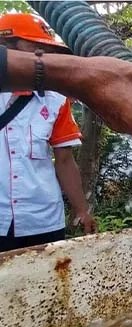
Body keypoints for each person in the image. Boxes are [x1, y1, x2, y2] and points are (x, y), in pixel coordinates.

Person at [0, 13, 96, 252]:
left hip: (42, 220)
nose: (41, 59)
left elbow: (64, 160)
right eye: (35, 50)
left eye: (45, 52)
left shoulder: (56, 101)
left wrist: (82, 210)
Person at [1, 40, 132, 153]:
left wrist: (81, 209)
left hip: (42, 208)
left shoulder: (56, 102)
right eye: (39, 53)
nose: (55, 61)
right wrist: (80, 74)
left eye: (53, 55)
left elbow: (64, 157)